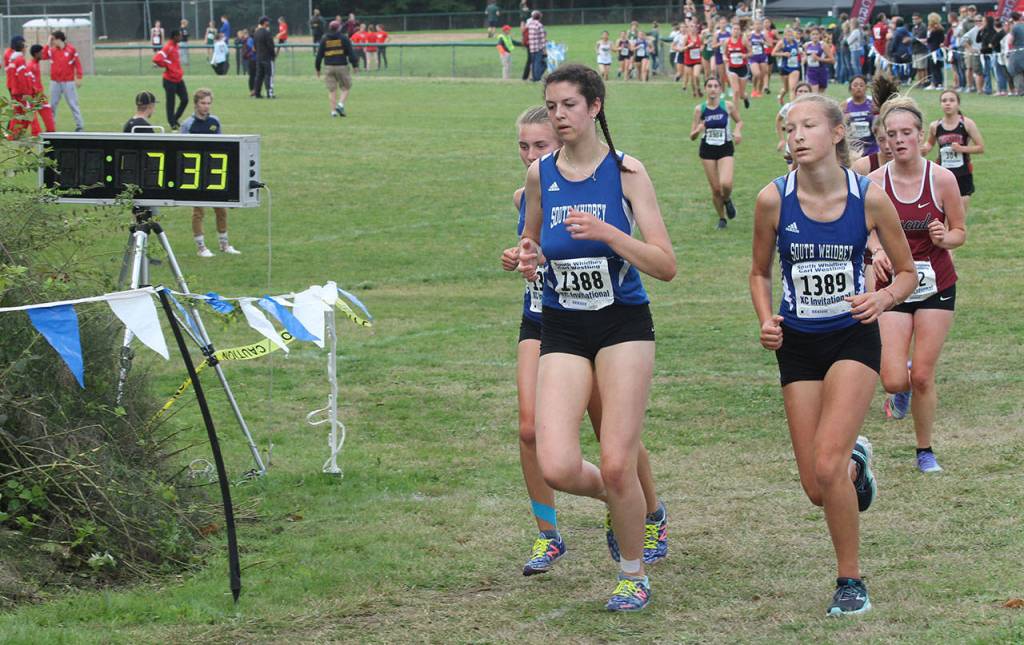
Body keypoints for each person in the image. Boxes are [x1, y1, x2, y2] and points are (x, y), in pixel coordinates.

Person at [516, 63, 675, 612]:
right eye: (552, 105)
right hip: (562, 324)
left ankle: (632, 573)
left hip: (622, 325)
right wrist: (526, 258)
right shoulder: (541, 177)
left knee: (615, 461)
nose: (559, 115)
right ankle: (625, 502)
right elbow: (532, 244)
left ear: (595, 108)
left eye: (569, 106)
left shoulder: (627, 172)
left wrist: (610, 233)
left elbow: (665, 264)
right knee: (558, 464)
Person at [750, 93, 916, 617]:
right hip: (798, 343)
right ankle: (856, 465)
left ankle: (851, 581)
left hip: (852, 336)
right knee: (816, 486)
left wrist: (883, 298)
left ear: (838, 132)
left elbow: (908, 274)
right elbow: (758, 272)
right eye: (789, 128)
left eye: (807, 126)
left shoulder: (869, 198)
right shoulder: (772, 199)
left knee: (826, 463)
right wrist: (765, 319)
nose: (796, 136)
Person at [867, 95, 966, 474]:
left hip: (936, 283)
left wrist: (945, 237)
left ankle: (925, 450)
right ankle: (903, 377)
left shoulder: (942, 179)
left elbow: (960, 233)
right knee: (894, 380)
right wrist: (876, 250)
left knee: (923, 375)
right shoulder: (874, 182)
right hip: (893, 285)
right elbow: (865, 233)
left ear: (921, 135)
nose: (899, 140)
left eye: (907, 132)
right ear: (886, 140)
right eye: (892, 134)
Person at [179, 89, 239, 258]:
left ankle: (224, 244)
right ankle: (201, 246)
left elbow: (222, 144)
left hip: (214, 171)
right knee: (198, 211)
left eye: (208, 103)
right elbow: (181, 149)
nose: (206, 107)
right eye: (203, 103)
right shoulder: (188, 125)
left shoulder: (215, 122)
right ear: (196, 104)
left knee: (221, 209)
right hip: (195, 173)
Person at [921, 90, 984, 218]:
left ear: (958, 104)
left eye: (951, 100)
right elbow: (929, 144)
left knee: (959, 218)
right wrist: (921, 149)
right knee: (942, 216)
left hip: (963, 174)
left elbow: (980, 147)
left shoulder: (966, 123)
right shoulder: (935, 126)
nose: (947, 104)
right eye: (944, 101)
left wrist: (962, 149)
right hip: (943, 175)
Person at [690, 76, 742, 230]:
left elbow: (739, 121)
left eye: (715, 86)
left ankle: (727, 200)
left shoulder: (727, 106)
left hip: (725, 147)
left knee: (726, 183)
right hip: (707, 150)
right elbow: (691, 136)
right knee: (716, 189)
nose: (712, 89)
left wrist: (737, 131)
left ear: (720, 89)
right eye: (709, 86)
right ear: (705, 89)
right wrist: (698, 130)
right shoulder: (700, 109)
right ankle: (722, 218)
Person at [42, 31, 84, 131]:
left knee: (73, 104)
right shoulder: (52, 50)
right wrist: (47, 43)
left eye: (53, 39)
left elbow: (77, 64)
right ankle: (51, 127)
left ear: (58, 39)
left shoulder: (71, 50)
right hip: (55, 82)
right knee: (52, 105)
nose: (52, 42)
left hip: (68, 82)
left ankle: (80, 126)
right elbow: (43, 56)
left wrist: (79, 77)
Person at [315, 20, 357, 117]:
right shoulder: (344, 38)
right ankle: (340, 104)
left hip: (328, 67)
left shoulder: (324, 39)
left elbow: (319, 55)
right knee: (346, 87)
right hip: (342, 66)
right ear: (339, 28)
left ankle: (333, 112)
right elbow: (351, 53)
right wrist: (355, 65)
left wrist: (317, 69)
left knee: (332, 90)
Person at [152, 30, 187, 129]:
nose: (181, 38)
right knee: (171, 103)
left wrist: (170, 64)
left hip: (178, 79)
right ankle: (172, 124)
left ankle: (175, 118)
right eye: (179, 36)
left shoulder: (176, 46)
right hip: (169, 80)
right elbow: (156, 59)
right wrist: (167, 64)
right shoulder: (168, 47)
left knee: (185, 99)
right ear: (174, 37)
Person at [776, 81, 813, 169]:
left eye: (805, 91)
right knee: (793, 173)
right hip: (792, 145)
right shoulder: (788, 107)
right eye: (800, 91)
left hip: (808, 144)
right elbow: (778, 120)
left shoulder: (814, 109)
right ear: (795, 93)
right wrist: (781, 139)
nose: (802, 93)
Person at [844, 75, 877, 157]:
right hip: (854, 148)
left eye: (861, 85)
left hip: (872, 147)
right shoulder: (845, 105)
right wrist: (845, 120)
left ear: (866, 88)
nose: (858, 88)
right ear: (850, 88)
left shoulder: (873, 103)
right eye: (855, 85)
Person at [25, 46, 55, 133]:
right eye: (41, 53)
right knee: (32, 115)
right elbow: (30, 83)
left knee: (47, 110)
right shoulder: (30, 65)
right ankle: (36, 135)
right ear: (36, 54)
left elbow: (46, 54)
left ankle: (51, 132)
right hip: (34, 96)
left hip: (40, 95)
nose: (43, 54)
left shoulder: (36, 63)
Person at [772, 27, 802, 105]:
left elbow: (798, 52)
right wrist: (783, 54)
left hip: (795, 67)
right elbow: (773, 53)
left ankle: (792, 106)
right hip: (784, 67)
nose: (790, 36)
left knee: (792, 88)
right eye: (788, 34)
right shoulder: (782, 43)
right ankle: (781, 97)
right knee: (786, 88)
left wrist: (802, 55)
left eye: (791, 34)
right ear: (785, 35)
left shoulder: (796, 42)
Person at [725, 23, 751, 108]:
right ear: (731, 31)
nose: (736, 31)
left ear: (740, 31)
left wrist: (745, 55)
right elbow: (724, 54)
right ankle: (736, 113)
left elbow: (751, 53)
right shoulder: (727, 41)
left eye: (737, 29)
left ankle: (746, 97)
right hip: (732, 68)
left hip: (743, 68)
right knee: (735, 91)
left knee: (741, 94)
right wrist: (725, 58)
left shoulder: (744, 41)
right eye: (734, 29)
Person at [805, 28, 834, 93]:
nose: (815, 36)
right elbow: (806, 57)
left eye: (817, 34)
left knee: (821, 95)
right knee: (814, 94)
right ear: (810, 35)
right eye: (813, 34)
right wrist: (804, 59)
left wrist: (818, 59)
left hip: (822, 71)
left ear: (820, 35)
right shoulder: (807, 45)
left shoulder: (823, 45)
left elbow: (832, 60)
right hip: (811, 71)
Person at [253, 16, 276, 98]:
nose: (268, 23)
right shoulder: (267, 33)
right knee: (268, 75)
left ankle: (257, 93)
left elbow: (255, 46)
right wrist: (273, 55)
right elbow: (271, 46)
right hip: (267, 57)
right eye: (267, 21)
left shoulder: (256, 33)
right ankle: (269, 93)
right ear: (264, 22)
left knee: (259, 75)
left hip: (259, 57)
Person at [525, 11, 547, 82]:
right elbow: (542, 38)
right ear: (539, 17)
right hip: (538, 47)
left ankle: (535, 77)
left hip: (531, 47)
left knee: (534, 63)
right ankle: (537, 78)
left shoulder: (529, 24)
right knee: (540, 63)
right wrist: (544, 49)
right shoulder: (539, 25)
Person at [1008, 12, 1024, 95]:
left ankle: (1021, 91)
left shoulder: (1014, 27)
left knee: (1018, 72)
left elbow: (1010, 41)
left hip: (1018, 52)